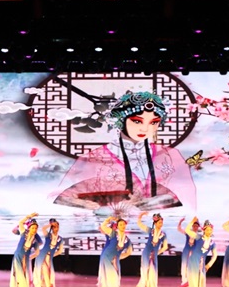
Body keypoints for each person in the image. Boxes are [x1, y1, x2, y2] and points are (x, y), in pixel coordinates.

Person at [54, 91, 197, 213]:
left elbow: (188, 198)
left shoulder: (170, 155)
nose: (145, 128)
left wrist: (151, 204)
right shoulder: (94, 157)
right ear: (121, 120)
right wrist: (84, 205)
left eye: (153, 122)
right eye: (137, 121)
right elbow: (59, 197)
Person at [177, 218, 218, 287]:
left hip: (202, 261)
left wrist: (209, 265)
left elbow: (215, 255)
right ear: (204, 230)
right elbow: (187, 230)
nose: (209, 232)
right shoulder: (198, 237)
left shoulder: (212, 243)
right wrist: (192, 221)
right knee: (194, 278)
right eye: (207, 230)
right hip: (194, 260)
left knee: (201, 277)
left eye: (210, 230)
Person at [97, 215, 133, 287]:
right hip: (106, 257)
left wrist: (119, 257)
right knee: (112, 274)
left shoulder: (128, 240)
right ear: (117, 226)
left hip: (115, 259)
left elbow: (129, 252)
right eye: (120, 224)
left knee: (116, 276)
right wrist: (109, 218)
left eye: (124, 224)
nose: (123, 226)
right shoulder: (113, 233)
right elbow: (103, 226)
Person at [9, 212, 42, 287]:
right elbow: (20, 222)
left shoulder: (35, 241)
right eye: (33, 228)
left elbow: (37, 252)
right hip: (18, 256)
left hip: (26, 258)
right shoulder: (24, 233)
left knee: (24, 274)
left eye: (36, 228)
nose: (34, 230)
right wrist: (29, 216)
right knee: (16, 273)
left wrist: (30, 257)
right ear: (29, 228)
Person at [136, 212, 168, 287]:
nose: (161, 224)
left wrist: (157, 252)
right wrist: (141, 215)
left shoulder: (163, 234)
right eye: (159, 222)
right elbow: (140, 224)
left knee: (153, 270)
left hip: (154, 254)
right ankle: (142, 286)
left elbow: (165, 247)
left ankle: (152, 286)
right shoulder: (151, 231)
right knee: (144, 269)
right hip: (146, 252)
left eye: (162, 223)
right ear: (155, 223)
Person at [33, 218, 64, 287]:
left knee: (49, 271)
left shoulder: (60, 239)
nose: (56, 228)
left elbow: (60, 251)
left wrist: (51, 255)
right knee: (43, 269)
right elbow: (43, 228)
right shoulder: (48, 235)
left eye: (57, 227)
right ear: (52, 228)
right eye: (54, 227)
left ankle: (45, 284)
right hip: (41, 255)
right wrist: (50, 224)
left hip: (49, 257)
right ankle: (48, 285)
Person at [177, 217, 201, 284]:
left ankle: (191, 280)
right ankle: (184, 280)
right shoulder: (188, 233)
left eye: (196, 226)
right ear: (192, 226)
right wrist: (180, 222)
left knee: (192, 265)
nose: (195, 227)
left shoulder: (198, 236)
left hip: (193, 252)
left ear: (198, 227)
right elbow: (179, 229)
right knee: (184, 264)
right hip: (186, 251)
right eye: (194, 226)